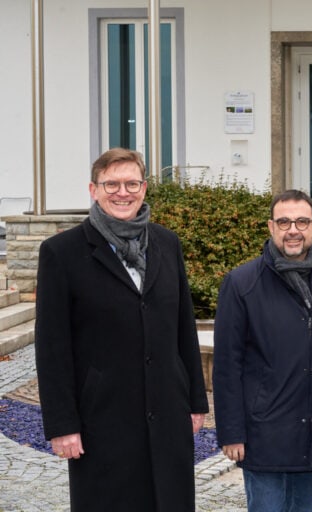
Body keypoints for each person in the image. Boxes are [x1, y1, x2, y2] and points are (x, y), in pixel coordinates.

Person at [34, 147, 209, 511]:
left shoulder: (166, 243)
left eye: (131, 183)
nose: (122, 192)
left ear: (144, 188)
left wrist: (194, 401)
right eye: (111, 184)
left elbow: (183, 328)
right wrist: (62, 423)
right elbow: (52, 347)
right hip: (103, 418)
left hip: (168, 413)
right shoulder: (61, 253)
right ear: (93, 189)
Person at [213, 189, 312, 512]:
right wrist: (231, 431)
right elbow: (228, 365)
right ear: (271, 227)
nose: (293, 230)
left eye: (301, 221)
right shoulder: (242, 283)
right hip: (264, 433)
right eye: (284, 222)